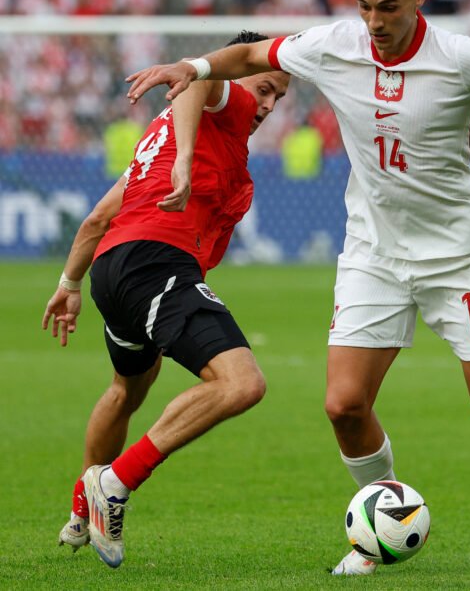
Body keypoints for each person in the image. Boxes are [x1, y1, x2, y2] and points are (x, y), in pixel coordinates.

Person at [124, 0, 470, 576]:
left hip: (455, 257)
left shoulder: (462, 57)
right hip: (373, 253)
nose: (374, 21)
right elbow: (251, 55)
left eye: (387, 7)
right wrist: (193, 66)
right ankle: (379, 524)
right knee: (344, 405)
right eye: (363, 6)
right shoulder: (334, 44)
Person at [44, 31, 290, 568]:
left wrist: (69, 285)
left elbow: (97, 219)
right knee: (242, 383)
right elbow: (194, 82)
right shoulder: (223, 96)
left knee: (126, 389)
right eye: (266, 88)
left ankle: (81, 510)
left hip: (115, 269)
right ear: (239, 69)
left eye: (278, 99)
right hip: (155, 261)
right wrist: (183, 159)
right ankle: (116, 481)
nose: (267, 105)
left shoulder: (161, 144)